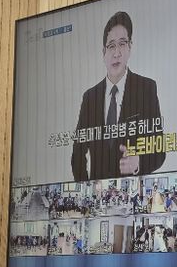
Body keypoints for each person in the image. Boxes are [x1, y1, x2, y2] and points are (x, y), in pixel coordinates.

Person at [71, 11, 165, 181]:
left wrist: (139, 162)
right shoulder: (90, 97)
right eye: (111, 46)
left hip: (131, 191)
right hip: (96, 194)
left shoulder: (146, 88)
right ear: (103, 52)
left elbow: (160, 150)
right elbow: (78, 154)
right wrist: (86, 188)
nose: (116, 53)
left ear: (130, 47)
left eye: (122, 44)